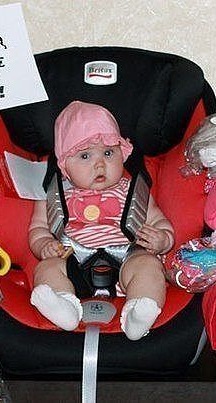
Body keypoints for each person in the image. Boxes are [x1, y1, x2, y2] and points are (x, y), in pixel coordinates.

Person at [28, 101, 174, 340]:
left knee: (149, 267)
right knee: (46, 268)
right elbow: (38, 229)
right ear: (64, 166)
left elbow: (159, 221)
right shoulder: (54, 195)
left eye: (108, 153)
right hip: (71, 259)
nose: (99, 164)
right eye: (85, 155)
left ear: (122, 154)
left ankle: (139, 311)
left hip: (128, 258)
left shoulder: (132, 191)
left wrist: (163, 240)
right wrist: (44, 244)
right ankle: (64, 306)